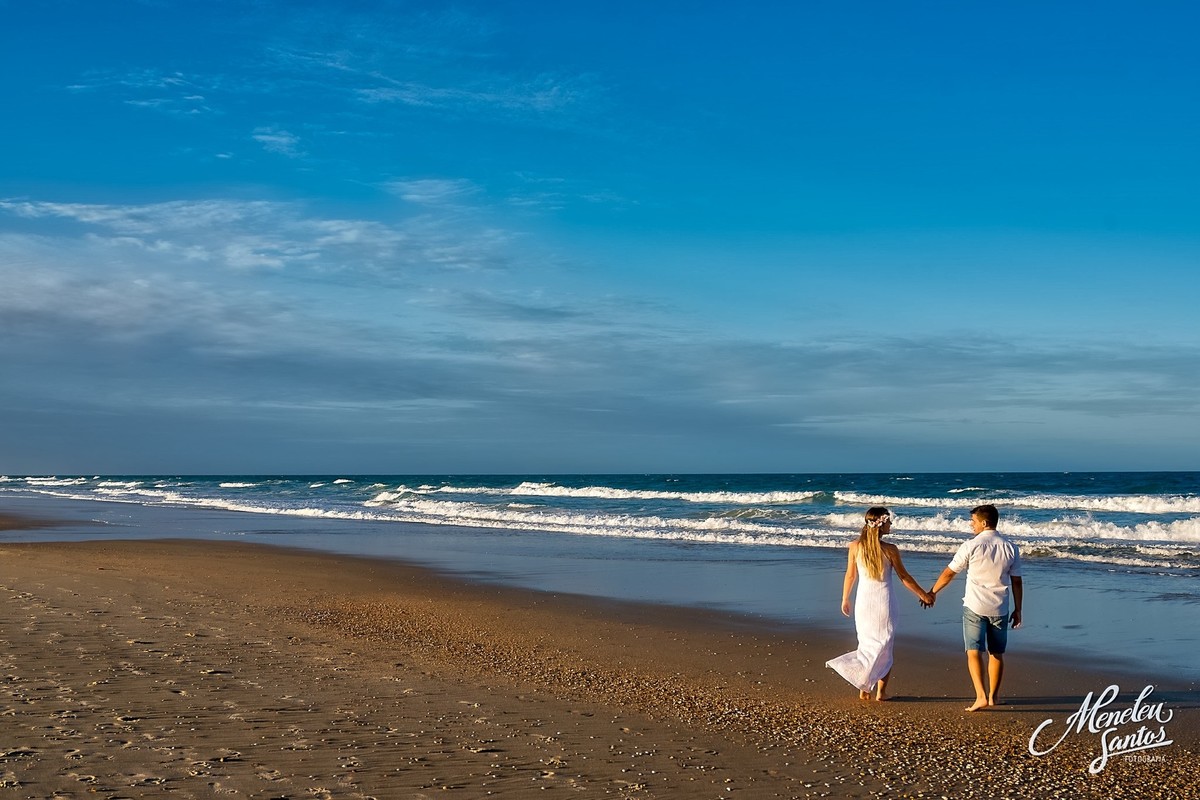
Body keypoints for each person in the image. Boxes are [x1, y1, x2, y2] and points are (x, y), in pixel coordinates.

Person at [826, 507, 934, 701]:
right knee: (885, 646)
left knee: (867, 645)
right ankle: (881, 693)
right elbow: (904, 577)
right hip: (884, 602)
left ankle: (864, 689)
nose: (891, 524)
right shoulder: (890, 549)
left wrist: (845, 598)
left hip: (864, 603)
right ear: (881, 524)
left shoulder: (855, 546)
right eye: (889, 521)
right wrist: (924, 595)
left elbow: (850, 575)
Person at [929, 503, 1023, 712]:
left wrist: (933, 592)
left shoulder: (971, 545)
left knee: (973, 651)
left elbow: (949, 573)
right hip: (1000, 607)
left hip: (974, 605)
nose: (971, 526)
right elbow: (1017, 581)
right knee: (996, 653)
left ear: (984, 522)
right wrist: (1019, 609)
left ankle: (980, 696)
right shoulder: (1010, 547)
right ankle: (993, 697)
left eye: (973, 522)